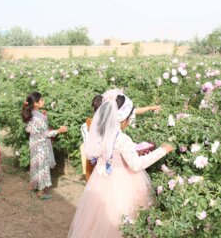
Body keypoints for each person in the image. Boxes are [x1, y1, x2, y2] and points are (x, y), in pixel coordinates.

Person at [68, 89, 174, 237]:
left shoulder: (100, 132)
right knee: (122, 221)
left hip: (102, 181)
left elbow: (95, 153)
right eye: (131, 116)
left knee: (99, 220)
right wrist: (163, 150)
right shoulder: (123, 139)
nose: (131, 119)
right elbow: (136, 165)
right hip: (124, 183)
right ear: (123, 119)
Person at [80, 94, 162, 182]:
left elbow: (90, 149)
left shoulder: (92, 127)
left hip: (100, 173)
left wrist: (149, 108)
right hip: (114, 174)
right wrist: (163, 150)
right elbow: (136, 164)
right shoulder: (120, 138)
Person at [22, 92, 68, 200]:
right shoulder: (38, 118)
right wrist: (59, 130)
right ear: (36, 104)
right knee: (42, 167)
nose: (44, 101)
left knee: (35, 165)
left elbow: (31, 129)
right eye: (41, 100)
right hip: (41, 145)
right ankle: (41, 192)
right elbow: (45, 133)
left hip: (34, 144)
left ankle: (34, 185)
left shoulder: (31, 113)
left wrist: (43, 116)